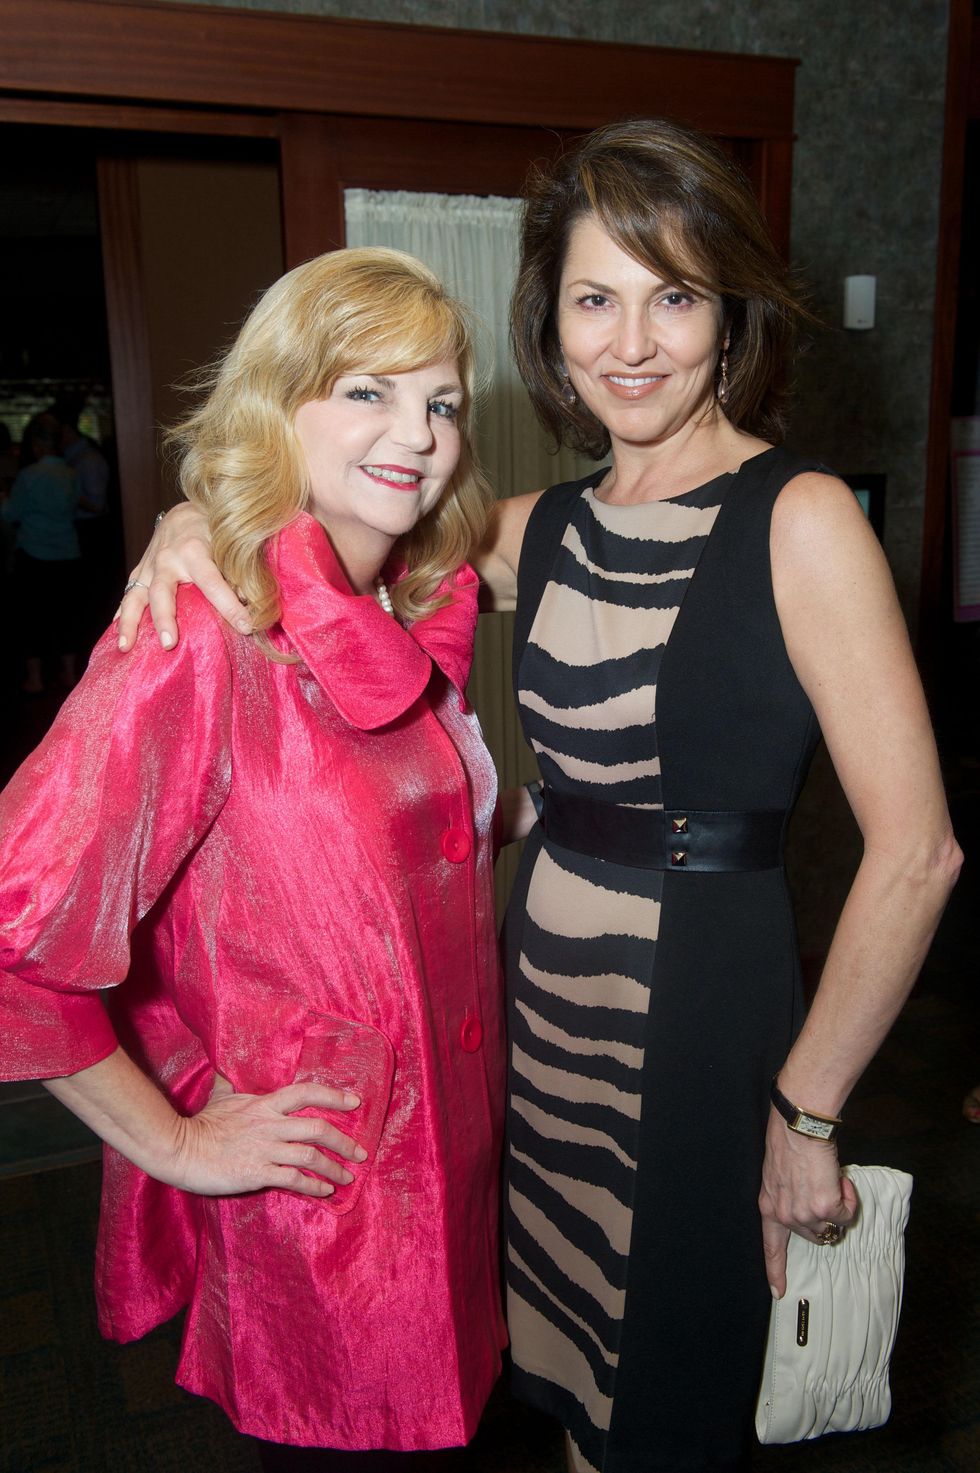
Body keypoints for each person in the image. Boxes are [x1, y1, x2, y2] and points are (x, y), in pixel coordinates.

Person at [117, 120, 961, 1473]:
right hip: (532, 1012)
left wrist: (808, 1109)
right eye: (594, 299)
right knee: (564, 1365)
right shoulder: (542, 530)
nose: (632, 341)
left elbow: (917, 853)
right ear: (552, 327)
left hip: (692, 1016)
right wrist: (189, 526)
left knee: (668, 1393)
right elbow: (330, 537)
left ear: (728, 316)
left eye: (674, 295)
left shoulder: (800, 518)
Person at [0, 248, 508, 1470]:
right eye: (365, 392)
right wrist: (174, 1144)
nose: (418, 433)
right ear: (276, 408)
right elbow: (15, 930)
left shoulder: (414, 596)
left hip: (461, 1178)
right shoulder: (201, 637)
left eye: (438, 401)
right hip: (326, 1228)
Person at [1, 412, 81, 691]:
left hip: (34, 553)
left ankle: (35, 678)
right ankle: (70, 674)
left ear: (36, 444)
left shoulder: (28, 475)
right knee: (66, 614)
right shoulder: (71, 473)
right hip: (67, 551)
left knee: (33, 617)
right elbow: (74, 510)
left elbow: (11, 513)